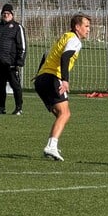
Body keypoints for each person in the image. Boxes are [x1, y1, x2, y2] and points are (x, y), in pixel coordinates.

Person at [34, 13, 92, 161]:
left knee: (61, 114)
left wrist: (40, 73)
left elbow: (46, 54)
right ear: (77, 27)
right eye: (86, 26)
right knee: (65, 114)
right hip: (54, 78)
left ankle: (52, 144)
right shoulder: (74, 40)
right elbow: (65, 56)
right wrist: (65, 80)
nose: (88, 29)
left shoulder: (64, 37)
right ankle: (51, 146)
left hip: (41, 79)